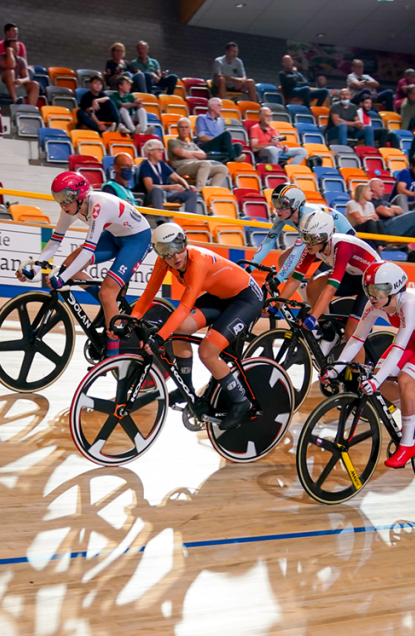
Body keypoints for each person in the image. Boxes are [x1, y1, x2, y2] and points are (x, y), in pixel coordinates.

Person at [323, 262, 415, 467]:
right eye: (369, 290)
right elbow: (356, 340)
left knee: (405, 380)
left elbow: (398, 346)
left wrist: (376, 381)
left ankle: (407, 444)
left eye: (378, 290)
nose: (372, 296)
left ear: (395, 289)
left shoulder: (409, 304)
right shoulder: (373, 305)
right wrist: (335, 369)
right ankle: (411, 412)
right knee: (379, 376)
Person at [131, 224, 264, 429]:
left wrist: (159, 338)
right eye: (167, 252)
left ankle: (240, 400)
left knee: (208, 351)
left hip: (246, 298)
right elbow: (148, 295)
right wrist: (131, 320)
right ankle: (186, 386)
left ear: (185, 243)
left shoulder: (196, 261)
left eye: (178, 247)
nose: (175, 256)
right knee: (181, 329)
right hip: (220, 297)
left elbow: (184, 307)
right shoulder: (163, 262)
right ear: (160, 253)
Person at [19, 171, 152, 357]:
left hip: (137, 239)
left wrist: (61, 278)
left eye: (65, 198)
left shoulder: (99, 205)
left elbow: (89, 249)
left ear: (79, 196)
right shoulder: (70, 208)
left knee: (106, 292)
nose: (62, 204)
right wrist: (35, 268)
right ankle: (111, 305)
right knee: (70, 268)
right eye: (58, 198)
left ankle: (114, 356)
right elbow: (56, 240)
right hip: (115, 236)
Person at [256, 189, 380, 348]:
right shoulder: (312, 246)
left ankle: (361, 372)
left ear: (324, 237)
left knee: (351, 335)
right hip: (353, 274)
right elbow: (294, 280)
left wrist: (313, 317)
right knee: (313, 284)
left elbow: (330, 289)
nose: (308, 244)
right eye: (305, 238)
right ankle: (328, 329)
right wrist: (276, 307)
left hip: (372, 282)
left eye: (312, 239)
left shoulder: (341, 247)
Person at [137, 138, 198, 213]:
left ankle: (190, 218)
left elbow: (177, 178)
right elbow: (149, 187)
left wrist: (187, 186)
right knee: (157, 190)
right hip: (152, 196)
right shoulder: (145, 166)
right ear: (151, 152)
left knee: (191, 192)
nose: (162, 152)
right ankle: (160, 220)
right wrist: (171, 187)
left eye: (162, 150)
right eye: (159, 150)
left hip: (167, 195)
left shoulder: (162, 164)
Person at [168, 117, 228, 189]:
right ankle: (199, 190)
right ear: (177, 129)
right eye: (181, 127)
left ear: (189, 129)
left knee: (223, 169)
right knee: (205, 164)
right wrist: (195, 155)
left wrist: (187, 153)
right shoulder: (172, 141)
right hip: (181, 167)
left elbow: (203, 155)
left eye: (186, 127)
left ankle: (211, 190)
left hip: (197, 166)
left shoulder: (192, 144)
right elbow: (181, 153)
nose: (184, 129)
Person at [0, 38, 40, 105]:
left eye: (18, 48)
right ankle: (15, 100)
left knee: (35, 84)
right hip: (1, 86)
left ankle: (31, 108)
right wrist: (9, 52)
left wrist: (21, 80)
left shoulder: (21, 61)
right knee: (10, 72)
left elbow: (27, 78)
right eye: (14, 48)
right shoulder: (0, 57)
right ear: (8, 49)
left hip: (14, 85)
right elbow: (11, 65)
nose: (17, 50)